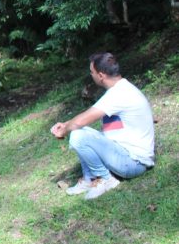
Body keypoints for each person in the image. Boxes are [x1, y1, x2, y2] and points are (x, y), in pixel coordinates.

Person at [50, 52, 155, 200]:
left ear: (101, 75)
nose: (90, 75)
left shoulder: (118, 94)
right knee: (78, 131)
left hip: (133, 163)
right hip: (126, 156)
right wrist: (66, 125)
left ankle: (105, 179)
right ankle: (90, 179)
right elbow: (87, 115)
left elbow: (81, 121)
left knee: (78, 135)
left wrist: (64, 131)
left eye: (91, 72)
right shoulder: (121, 89)